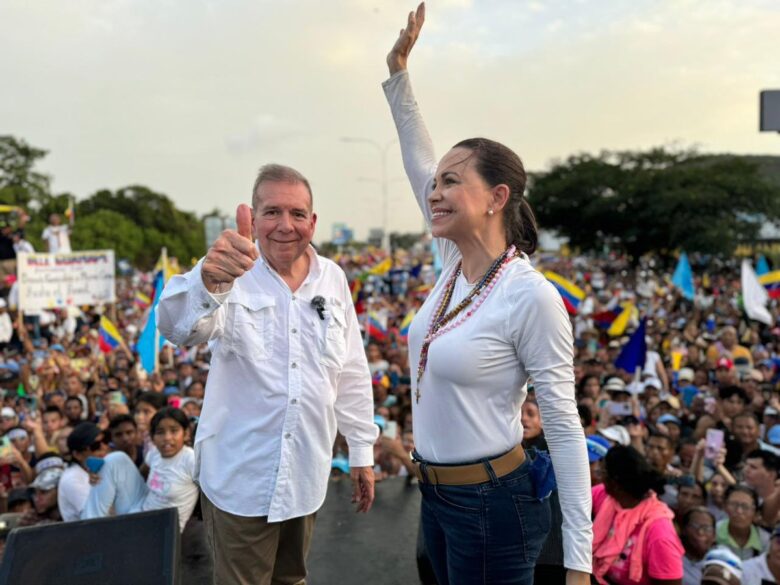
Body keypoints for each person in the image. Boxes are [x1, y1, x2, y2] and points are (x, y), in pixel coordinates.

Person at [383, 5, 591, 584]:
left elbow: (563, 424)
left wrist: (579, 562)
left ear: (497, 198)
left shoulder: (530, 297)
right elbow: (417, 159)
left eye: (452, 181)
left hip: (493, 506)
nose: (435, 191)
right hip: (436, 497)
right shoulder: (453, 265)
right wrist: (399, 74)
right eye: (436, 183)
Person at [158, 163, 378, 584]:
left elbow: (350, 370)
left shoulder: (332, 278)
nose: (285, 225)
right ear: (254, 218)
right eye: (273, 212)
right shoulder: (229, 270)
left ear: (313, 222)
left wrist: (361, 453)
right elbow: (177, 329)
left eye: (297, 214)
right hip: (242, 481)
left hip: (306, 474)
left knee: (292, 579)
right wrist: (207, 280)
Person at [81, 408, 198, 533]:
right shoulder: (155, 453)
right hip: (140, 510)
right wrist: (102, 474)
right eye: (160, 432)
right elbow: (137, 476)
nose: (167, 437)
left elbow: (208, 491)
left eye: (174, 431)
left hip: (161, 529)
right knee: (116, 458)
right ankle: (89, 528)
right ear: (152, 437)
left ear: (186, 434)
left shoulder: (191, 459)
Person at [591, 445, 684, 585]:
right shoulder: (605, 496)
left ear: (615, 484)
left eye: (602, 472)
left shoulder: (659, 533)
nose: (600, 478)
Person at [715, 485, 769, 560]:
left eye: (745, 506)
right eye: (734, 504)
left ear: (755, 512)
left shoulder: (765, 540)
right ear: (725, 506)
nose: (739, 511)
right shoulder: (714, 532)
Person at [679, 506, 716, 585]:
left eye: (706, 528)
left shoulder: (720, 560)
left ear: (714, 535)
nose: (700, 532)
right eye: (694, 526)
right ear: (683, 530)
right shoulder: (672, 557)